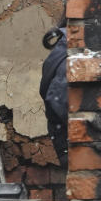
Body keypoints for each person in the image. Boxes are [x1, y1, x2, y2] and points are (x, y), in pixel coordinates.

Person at [39, 18, 67, 166]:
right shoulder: (69, 53)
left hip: (66, 144)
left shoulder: (63, 46)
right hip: (72, 145)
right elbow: (58, 99)